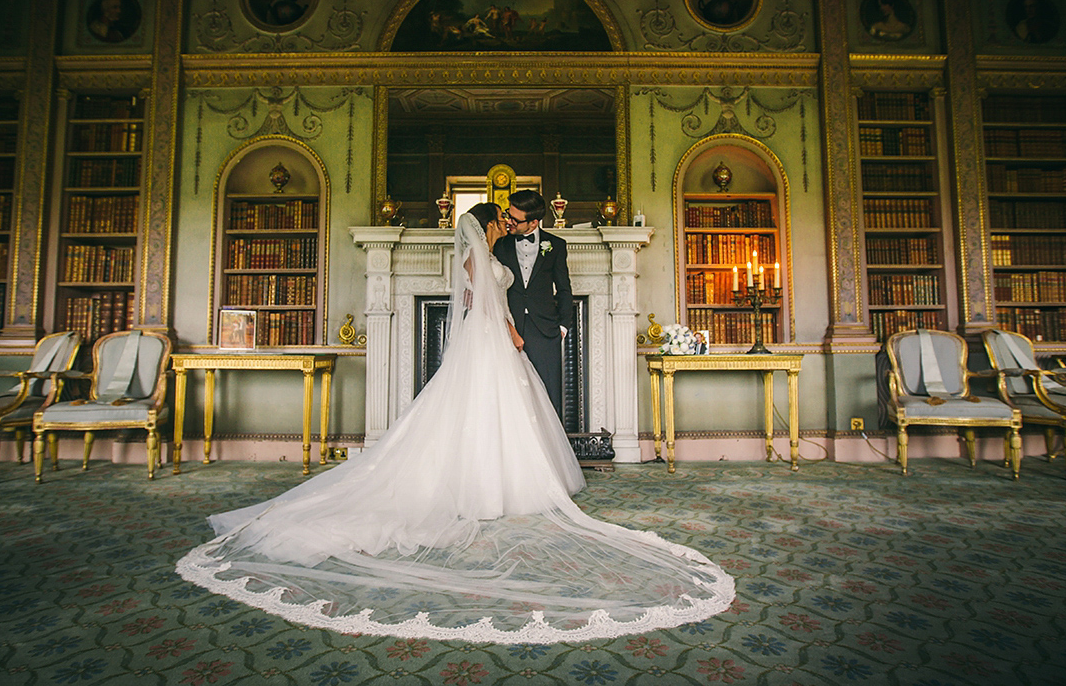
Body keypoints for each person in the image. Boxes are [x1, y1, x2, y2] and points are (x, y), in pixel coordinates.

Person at [176, 202, 734, 643]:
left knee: (495, 410)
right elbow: (483, 301)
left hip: (495, 338)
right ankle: (486, 483)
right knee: (487, 407)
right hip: (491, 340)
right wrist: (514, 336)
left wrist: (529, 329)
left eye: (510, 222)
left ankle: (494, 478)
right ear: (489, 227)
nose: (504, 229)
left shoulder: (501, 250)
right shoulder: (478, 255)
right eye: (499, 223)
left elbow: (498, 296)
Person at [493, 189, 573, 420]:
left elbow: (564, 289)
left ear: (534, 222)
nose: (509, 222)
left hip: (546, 330)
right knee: (510, 394)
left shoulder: (555, 245)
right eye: (509, 214)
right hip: (509, 327)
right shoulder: (499, 244)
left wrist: (562, 328)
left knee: (547, 395)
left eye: (515, 220)